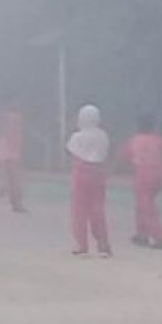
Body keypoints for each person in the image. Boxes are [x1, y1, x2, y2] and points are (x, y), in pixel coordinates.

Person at [119, 113, 162, 250]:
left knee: (146, 206)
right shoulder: (157, 139)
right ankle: (142, 234)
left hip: (143, 175)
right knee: (143, 205)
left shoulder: (133, 141)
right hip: (159, 175)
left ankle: (160, 237)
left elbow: (122, 158)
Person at [67, 104, 111, 257]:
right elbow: (104, 153)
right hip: (98, 172)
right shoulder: (103, 135)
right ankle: (103, 245)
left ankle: (81, 245)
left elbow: (73, 154)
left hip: (80, 172)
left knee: (79, 210)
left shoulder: (77, 137)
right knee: (97, 209)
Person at [0, 92, 27, 213]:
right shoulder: (6, 117)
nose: (17, 104)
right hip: (6, 149)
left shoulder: (16, 117)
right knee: (8, 181)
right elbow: (6, 132)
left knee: (15, 180)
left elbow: (17, 134)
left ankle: (15, 204)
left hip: (13, 149)